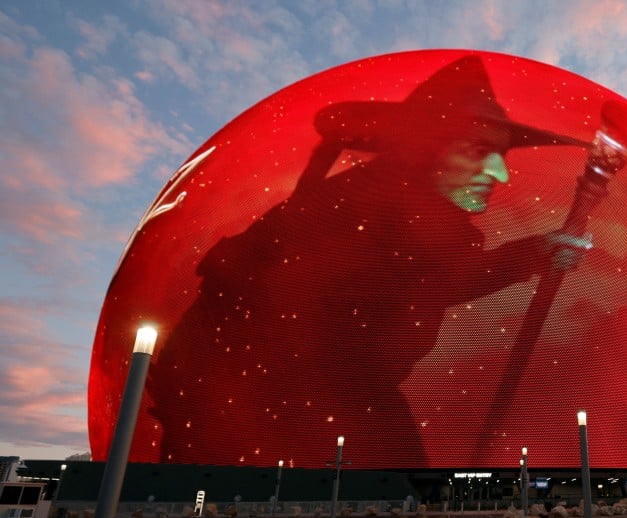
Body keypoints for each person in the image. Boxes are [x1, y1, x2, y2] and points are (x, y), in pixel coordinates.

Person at [150, 56, 592, 468]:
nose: (501, 173)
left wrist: (539, 251)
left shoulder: (396, 202)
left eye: (502, 154)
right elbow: (435, 274)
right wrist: (539, 251)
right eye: (477, 151)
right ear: (425, 151)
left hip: (305, 398)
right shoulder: (378, 205)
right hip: (261, 406)